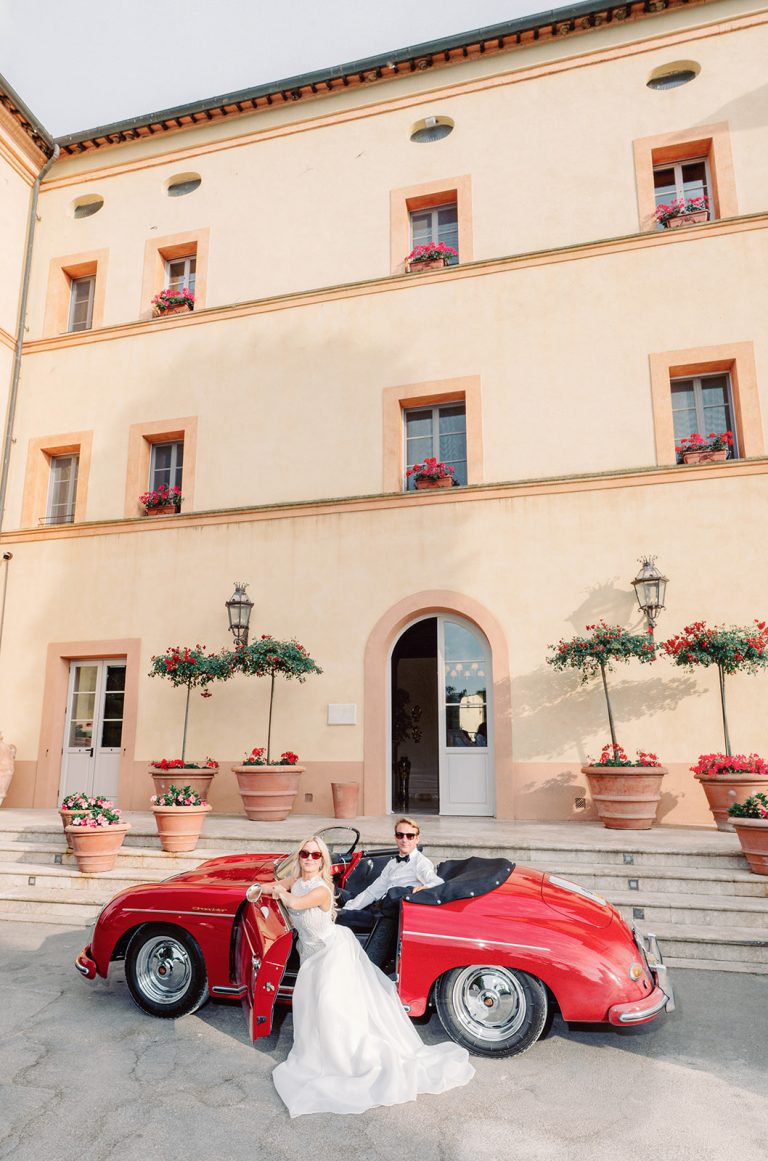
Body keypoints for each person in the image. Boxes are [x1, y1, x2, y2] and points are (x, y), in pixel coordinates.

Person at [265, 835, 474, 1117]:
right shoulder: (297, 880)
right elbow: (278, 886)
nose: (309, 860)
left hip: (332, 951)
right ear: (299, 856)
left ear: (323, 861)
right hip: (310, 954)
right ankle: (322, 1053)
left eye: (316, 856)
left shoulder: (320, 889)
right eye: (305, 854)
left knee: (331, 1005)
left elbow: (295, 902)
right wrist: (259, 888)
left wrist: (280, 892)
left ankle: (346, 1060)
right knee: (313, 1008)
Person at [336, 816, 442, 968]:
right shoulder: (392, 863)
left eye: (410, 836)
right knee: (335, 892)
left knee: (335, 916)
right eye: (400, 835)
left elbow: (437, 883)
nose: (404, 840)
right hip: (377, 905)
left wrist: (418, 889)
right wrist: (349, 906)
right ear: (395, 838)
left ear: (417, 839)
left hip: (385, 915)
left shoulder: (421, 863)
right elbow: (372, 892)